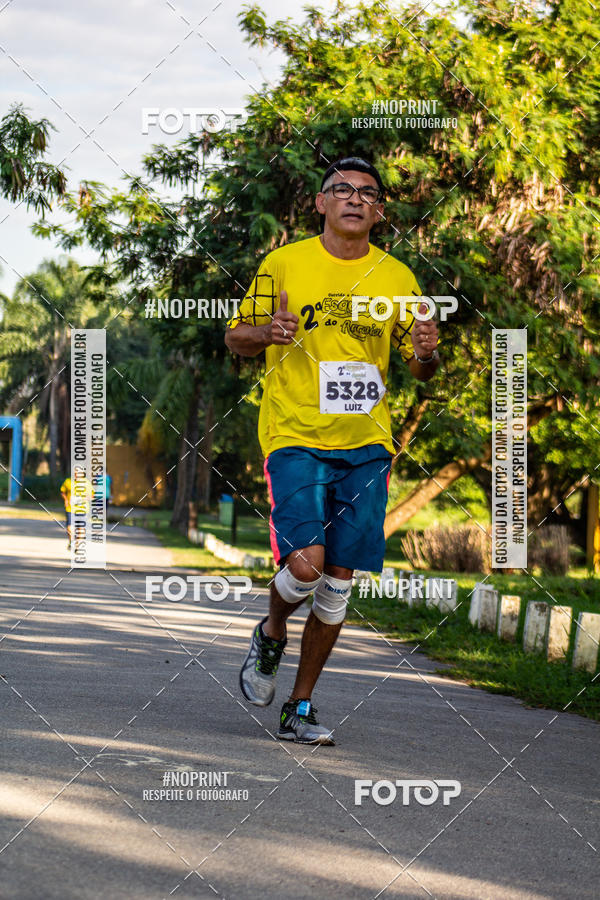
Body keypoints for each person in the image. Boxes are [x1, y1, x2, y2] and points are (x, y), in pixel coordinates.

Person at [225, 157, 440, 745]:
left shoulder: (397, 279)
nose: (353, 199)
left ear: (379, 210)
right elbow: (235, 337)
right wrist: (266, 331)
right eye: (340, 190)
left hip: (367, 444)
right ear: (320, 203)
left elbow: (422, 368)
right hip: (295, 434)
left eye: (366, 193)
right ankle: (271, 633)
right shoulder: (284, 263)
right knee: (307, 566)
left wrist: (425, 350)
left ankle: (300, 706)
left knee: (338, 583)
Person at [60, 474, 94, 550]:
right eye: (75, 473)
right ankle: (71, 541)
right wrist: (65, 500)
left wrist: (86, 498)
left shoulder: (86, 483)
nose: (76, 475)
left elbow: (92, 495)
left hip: (83, 509)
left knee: (81, 529)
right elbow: (62, 491)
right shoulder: (68, 481)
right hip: (70, 508)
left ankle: (78, 545)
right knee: (69, 527)